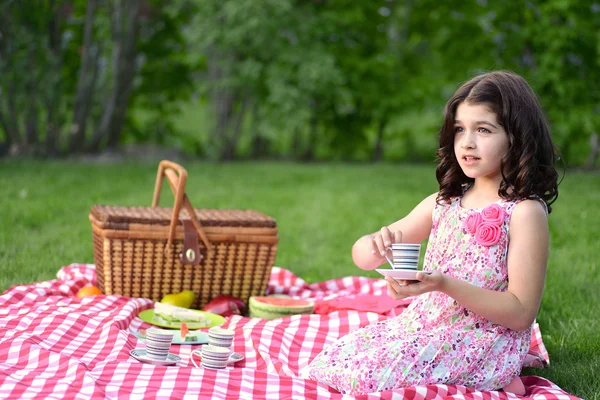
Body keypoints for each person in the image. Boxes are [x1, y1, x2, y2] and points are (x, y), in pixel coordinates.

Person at [301, 70, 560, 395]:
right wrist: (376, 245)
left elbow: (521, 313)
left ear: (516, 136)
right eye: (460, 130)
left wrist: (443, 284)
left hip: (483, 338)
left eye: (483, 129)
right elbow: (363, 257)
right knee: (331, 361)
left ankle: (496, 374)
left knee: (366, 378)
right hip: (424, 325)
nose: (467, 142)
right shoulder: (444, 203)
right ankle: (478, 377)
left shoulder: (524, 212)